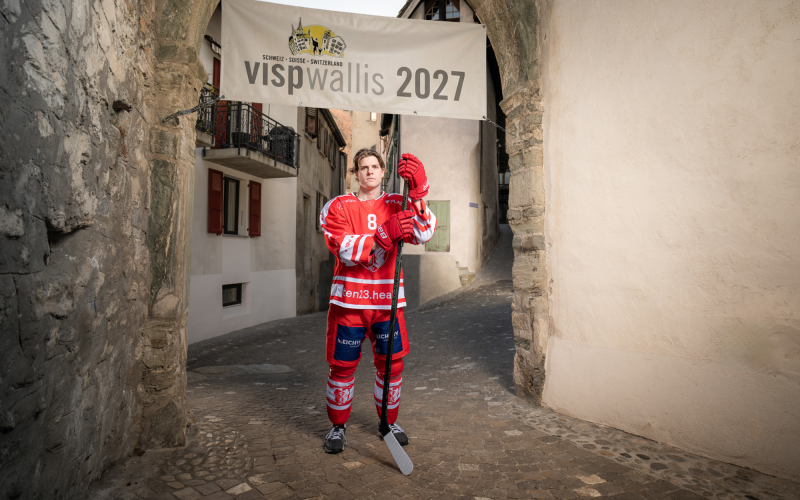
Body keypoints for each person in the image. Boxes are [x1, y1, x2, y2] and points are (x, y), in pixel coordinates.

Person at [319, 149, 436, 454]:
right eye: (363, 167)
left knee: (392, 366)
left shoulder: (399, 203)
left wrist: (418, 192)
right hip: (349, 304)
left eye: (374, 166)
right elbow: (340, 245)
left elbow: (425, 232)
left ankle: (388, 423)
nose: (369, 171)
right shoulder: (337, 206)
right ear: (355, 173)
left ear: (384, 172)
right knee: (342, 367)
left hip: (387, 304)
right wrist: (383, 234)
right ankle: (337, 427)